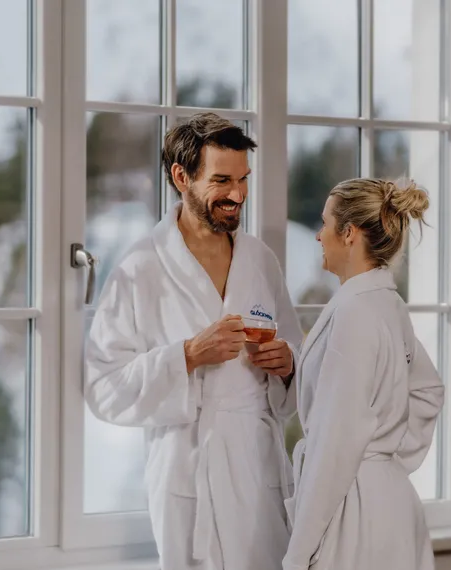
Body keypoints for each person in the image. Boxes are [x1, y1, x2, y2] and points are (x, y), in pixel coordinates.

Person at [84, 112, 302, 570]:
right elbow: (103, 386)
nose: (238, 195)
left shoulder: (261, 261)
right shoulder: (141, 267)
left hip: (258, 469)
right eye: (222, 180)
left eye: (243, 179)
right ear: (181, 177)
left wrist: (287, 366)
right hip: (188, 473)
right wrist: (185, 356)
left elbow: (296, 363)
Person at [282, 177, 445, 570]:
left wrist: (297, 554)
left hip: (353, 514)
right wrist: (387, 459)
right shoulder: (387, 304)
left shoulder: (354, 314)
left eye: (324, 224)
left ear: (349, 233)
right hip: (391, 504)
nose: (319, 236)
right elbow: (429, 390)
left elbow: (335, 448)